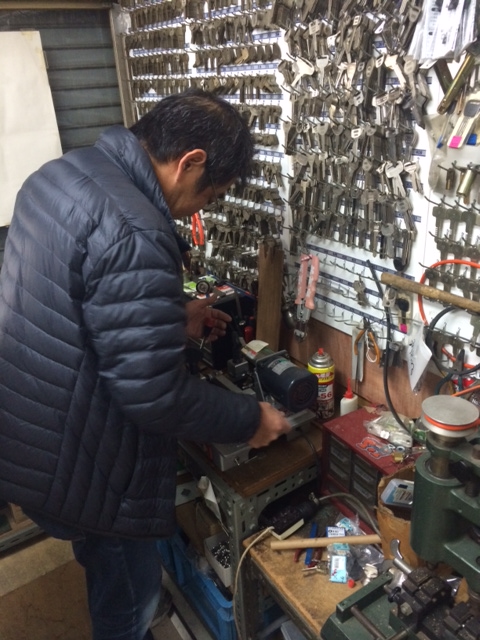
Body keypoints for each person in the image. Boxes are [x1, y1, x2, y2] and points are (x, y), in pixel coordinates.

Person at [0, 89, 291, 640]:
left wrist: (168, 318)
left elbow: (66, 301)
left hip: (27, 430)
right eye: (210, 195)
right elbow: (153, 395)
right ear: (191, 162)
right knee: (130, 598)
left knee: (100, 563)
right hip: (87, 464)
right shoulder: (137, 229)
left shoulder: (60, 175)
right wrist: (250, 419)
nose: (199, 211)